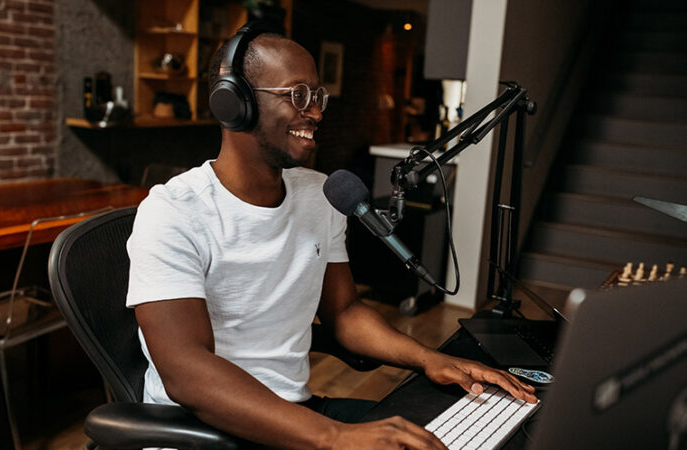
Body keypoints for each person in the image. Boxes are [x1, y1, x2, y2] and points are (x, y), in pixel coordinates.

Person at [126, 26, 537, 450]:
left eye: (317, 97)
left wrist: (430, 359)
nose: (316, 113)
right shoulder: (174, 212)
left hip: (296, 414)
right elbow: (186, 371)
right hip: (205, 431)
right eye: (297, 95)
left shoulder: (319, 195)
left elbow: (344, 312)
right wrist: (334, 437)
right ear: (235, 102)